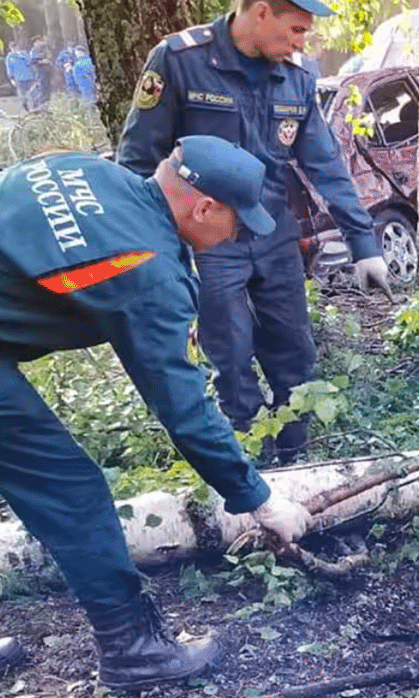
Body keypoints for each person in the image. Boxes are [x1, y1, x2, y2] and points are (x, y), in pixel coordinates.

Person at [0, 136, 311, 689]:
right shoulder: (147, 268)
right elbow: (184, 410)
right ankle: (132, 651)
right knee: (71, 492)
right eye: (239, 223)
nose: (238, 236)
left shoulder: (89, 170)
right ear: (204, 207)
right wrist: (258, 500)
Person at [117, 0, 391, 466]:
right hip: (208, 244)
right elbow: (136, 164)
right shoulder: (180, 61)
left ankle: (302, 467)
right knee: (233, 366)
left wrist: (363, 244)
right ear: (260, 12)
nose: (303, 39)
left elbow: (326, 164)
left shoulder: (297, 79)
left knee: (296, 361)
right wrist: (154, 260)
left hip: (273, 239)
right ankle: (250, 479)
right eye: (296, 26)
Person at [5, 40, 33, 111]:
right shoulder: (9, 57)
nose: (14, 49)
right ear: (10, 48)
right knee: (22, 95)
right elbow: (9, 69)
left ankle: (33, 108)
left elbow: (30, 62)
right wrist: (11, 79)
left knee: (32, 93)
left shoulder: (24, 54)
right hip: (18, 78)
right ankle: (26, 108)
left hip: (29, 77)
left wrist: (22, 55)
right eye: (12, 47)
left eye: (15, 47)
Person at [28, 36, 52, 109]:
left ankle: (44, 103)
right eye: (41, 41)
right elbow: (34, 61)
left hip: (45, 72)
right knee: (41, 88)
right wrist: (44, 61)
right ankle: (38, 104)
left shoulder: (43, 49)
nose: (43, 42)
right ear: (37, 41)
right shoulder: (35, 50)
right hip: (40, 72)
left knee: (46, 87)